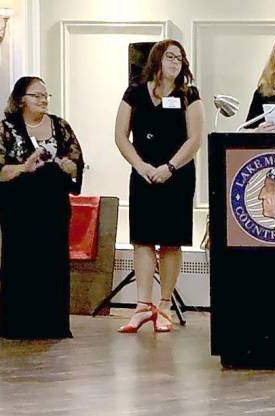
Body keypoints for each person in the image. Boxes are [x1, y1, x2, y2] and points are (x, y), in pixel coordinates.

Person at [114, 39, 204, 333]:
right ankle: (142, 306)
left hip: (176, 175)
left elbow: (194, 139)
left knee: (170, 240)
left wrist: (169, 168)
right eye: (170, 56)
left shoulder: (189, 94)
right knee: (142, 238)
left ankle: (164, 305)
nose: (175, 62)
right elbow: (120, 135)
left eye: (180, 58)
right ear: (156, 60)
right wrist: (141, 166)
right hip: (143, 173)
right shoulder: (135, 92)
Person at [0, 76, 84, 339]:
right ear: (20, 100)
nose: (43, 100)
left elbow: (77, 163)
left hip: (53, 204)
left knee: (53, 262)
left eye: (45, 95)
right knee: (21, 261)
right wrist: (24, 167)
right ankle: (18, 326)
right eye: (36, 95)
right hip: (18, 207)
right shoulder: (4, 129)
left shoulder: (60, 127)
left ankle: (53, 326)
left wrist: (67, 166)